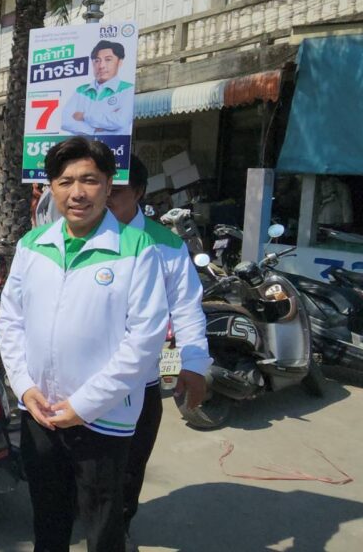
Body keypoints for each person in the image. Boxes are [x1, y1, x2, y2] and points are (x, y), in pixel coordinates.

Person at [0, 136, 169, 552]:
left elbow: (144, 341)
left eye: (89, 180)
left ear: (109, 185)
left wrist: (84, 405)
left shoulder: (137, 249)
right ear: (51, 188)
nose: (77, 192)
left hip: (103, 419)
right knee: (48, 518)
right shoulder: (32, 245)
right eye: (65, 181)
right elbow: (11, 320)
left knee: (104, 525)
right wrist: (24, 387)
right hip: (40, 413)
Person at [105, 155, 210, 547]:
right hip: (82, 379)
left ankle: (120, 525)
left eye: (115, 191)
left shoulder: (165, 244)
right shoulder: (76, 236)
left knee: (131, 465)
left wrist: (193, 363)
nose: (105, 198)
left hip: (142, 380)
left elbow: (185, 308)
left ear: (138, 192)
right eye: (102, 187)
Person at [61, 41, 135, 136]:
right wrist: (94, 130)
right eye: (97, 60)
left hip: (116, 144)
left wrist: (84, 116)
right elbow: (65, 121)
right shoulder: (80, 91)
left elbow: (120, 121)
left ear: (119, 62)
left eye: (108, 60)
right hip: (82, 144)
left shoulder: (128, 90)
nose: (101, 66)